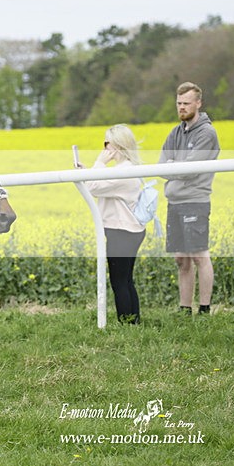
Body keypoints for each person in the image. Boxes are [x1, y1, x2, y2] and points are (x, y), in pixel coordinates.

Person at [159, 82, 220, 316]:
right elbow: (161, 165)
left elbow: (191, 169)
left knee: (199, 254)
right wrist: (176, 166)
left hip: (195, 200)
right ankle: (185, 309)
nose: (182, 107)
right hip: (174, 202)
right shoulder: (175, 132)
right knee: (181, 259)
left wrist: (175, 165)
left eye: (186, 103)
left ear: (198, 103)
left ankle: (204, 309)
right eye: (179, 103)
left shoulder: (207, 133)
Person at [78, 125, 146, 324]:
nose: (105, 147)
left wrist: (100, 162)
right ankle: (133, 322)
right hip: (128, 230)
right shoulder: (126, 169)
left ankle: (127, 324)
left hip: (121, 231)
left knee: (119, 282)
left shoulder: (124, 172)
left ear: (118, 145)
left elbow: (94, 187)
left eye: (107, 143)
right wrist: (87, 172)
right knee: (126, 280)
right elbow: (98, 183)